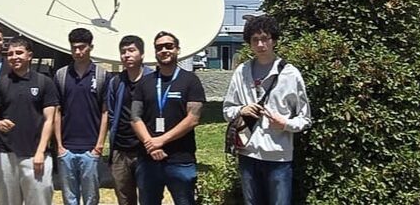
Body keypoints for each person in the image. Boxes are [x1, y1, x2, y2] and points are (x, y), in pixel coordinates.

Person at [223, 16, 311, 205]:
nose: (261, 44)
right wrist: (242, 109)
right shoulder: (242, 72)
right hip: (248, 154)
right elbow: (227, 110)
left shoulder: (291, 74)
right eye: (255, 39)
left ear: (274, 40)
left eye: (265, 38)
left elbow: (305, 118)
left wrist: (285, 123)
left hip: (279, 156)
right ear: (249, 43)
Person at [127, 32, 203, 205]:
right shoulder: (145, 82)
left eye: (169, 46)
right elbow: (134, 117)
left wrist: (161, 140)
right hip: (148, 160)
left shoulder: (190, 80)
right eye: (159, 47)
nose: (164, 50)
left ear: (177, 49)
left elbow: (193, 118)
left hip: (180, 160)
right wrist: (151, 144)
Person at [0, 37, 59, 205]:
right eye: (10, 54)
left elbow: (50, 120)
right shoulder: (1, 84)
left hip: (35, 155)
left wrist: (41, 151)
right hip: (5, 155)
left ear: (29, 55)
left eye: (19, 53)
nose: (14, 57)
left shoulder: (44, 82)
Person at [53, 28, 108, 205]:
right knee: (70, 198)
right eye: (74, 47)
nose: (77, 51)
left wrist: (99, 146)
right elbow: (57, 111)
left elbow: (105, 112)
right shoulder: (61, 75)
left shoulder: (101, 75)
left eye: (82, 47)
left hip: (90, 148)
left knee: (91, 198)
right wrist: (59, 146)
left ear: (90, 47)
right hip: (67, 148)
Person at [104, 35, 148, 205]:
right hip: (120, 150)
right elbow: (111, 113)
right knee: (124, 198)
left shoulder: (152, 80)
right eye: (123, 52)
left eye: (131, 50)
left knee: (148, 196)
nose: (127, 55)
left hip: (144, 150)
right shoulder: (116, 82)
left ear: (142, 54)